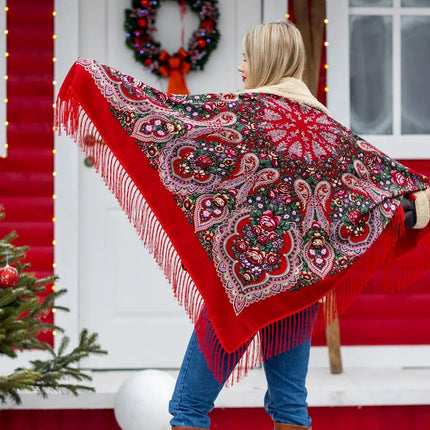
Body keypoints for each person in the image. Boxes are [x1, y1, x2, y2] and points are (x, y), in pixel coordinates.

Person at [55, 21, 430, 430]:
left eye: (247, 58)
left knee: (188, 408)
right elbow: (391, 186)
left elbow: (170, 121)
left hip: (241, 286)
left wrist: (94, 81)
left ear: (266, 61)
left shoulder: (238, 116)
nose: (240, 67)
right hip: (298, 290)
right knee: (289, 409)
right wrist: (412, 212)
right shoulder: (331, 135)